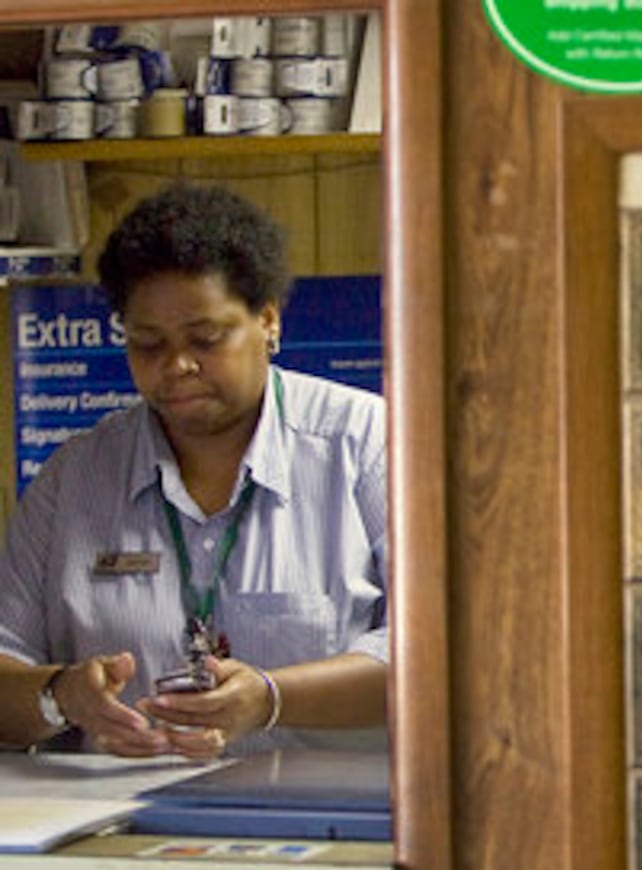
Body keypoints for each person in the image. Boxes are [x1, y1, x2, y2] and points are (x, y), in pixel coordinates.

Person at [0, 181, 388, 759]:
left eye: (205, 339)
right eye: (146, 343)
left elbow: (446, 654)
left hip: (322, 822)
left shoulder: (366, 445)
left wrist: (272, 698)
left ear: (269, 321)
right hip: (117, 829)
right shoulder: (75, 478)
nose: (177, 365)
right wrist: (60, 697)